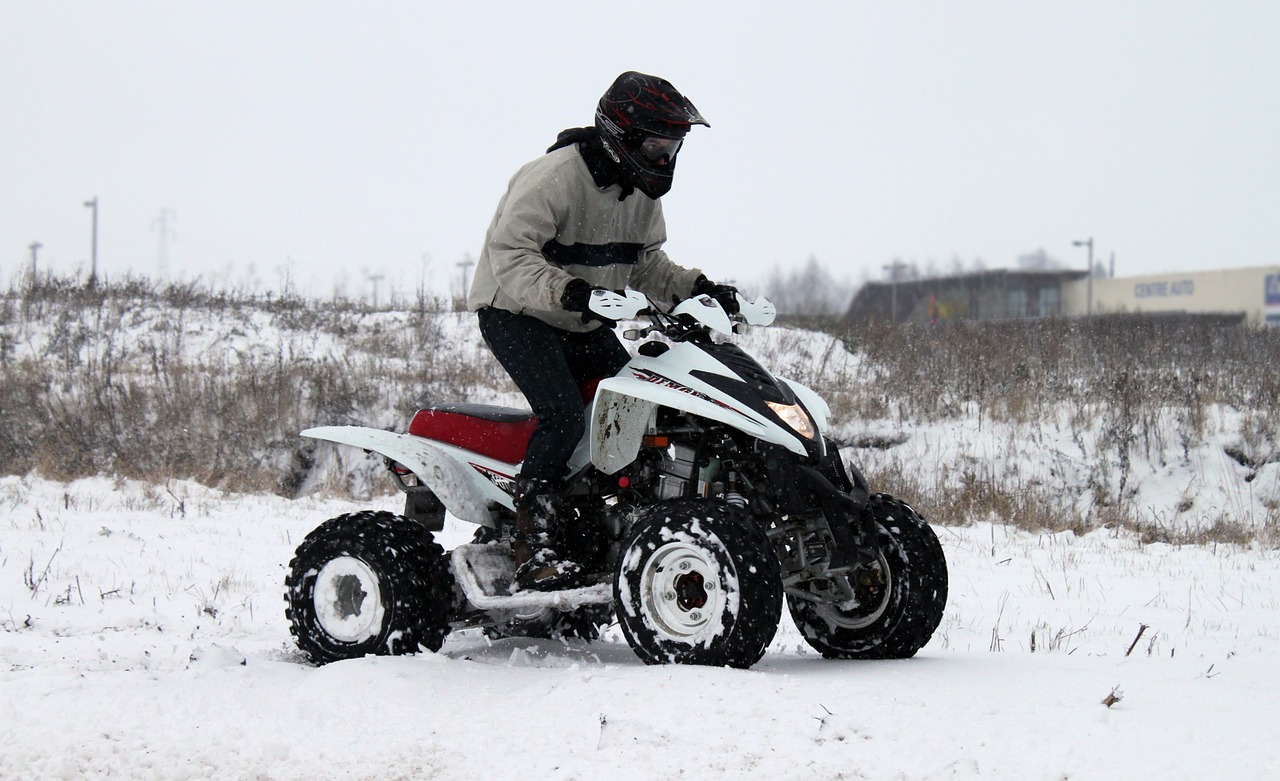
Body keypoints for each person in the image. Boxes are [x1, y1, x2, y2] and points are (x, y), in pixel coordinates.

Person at [467, 71, 740, 591]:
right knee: (565, 415)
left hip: (585, 314)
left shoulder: (640, 190)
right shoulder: (552, 178)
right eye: (657, 141)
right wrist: (576, 293)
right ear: (621, 134)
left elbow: (645, 266)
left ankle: (601, 524)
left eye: (673, 143)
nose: (665, 154)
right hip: (516, 312)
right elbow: (512, 257)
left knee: (635, 407)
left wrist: (700, 288)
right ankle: (535, 545)